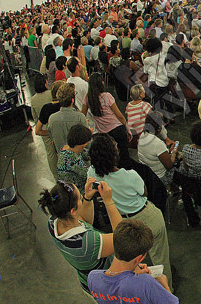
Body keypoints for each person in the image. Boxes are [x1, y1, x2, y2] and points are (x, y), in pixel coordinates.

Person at [88, 134, 172, 289]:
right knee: (160, 256)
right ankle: (166, 290)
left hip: (121, 222)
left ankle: (138, 289)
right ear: (113, 155)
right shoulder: (130, 176)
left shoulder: (92, 174)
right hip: (146, 216)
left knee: (132, 260)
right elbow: (144, 193)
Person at [41, 178, 121, 294]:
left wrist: (87, 198)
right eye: (80, 198)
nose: (81, 199)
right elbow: (123, 238)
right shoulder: (88, 242)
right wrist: (108, 201)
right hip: (107, 286)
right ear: (72, 211)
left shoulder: (53, 222)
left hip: (88, 282)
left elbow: (84, 221)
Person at [80, 72, 131, 164]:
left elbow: (82, 114)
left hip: (103, 132)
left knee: (109, 157)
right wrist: (127, 128)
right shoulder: (107, 96)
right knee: (124, 156)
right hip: (117, 128)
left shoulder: (87, 98)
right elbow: (119, 116)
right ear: (100, 83)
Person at [47, 82, 89, 152]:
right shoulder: (80, 117)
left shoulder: (52, 119)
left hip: (62, 158)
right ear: (72, 100)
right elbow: (86, 142)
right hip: (79, 159)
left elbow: (52, 138)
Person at [57, 124, 93, 193]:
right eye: (85, 143)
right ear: (79, 143)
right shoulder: (71, 159)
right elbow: (88, 175)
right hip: (76, 192)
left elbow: (86, 154)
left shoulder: (69, 148)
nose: (86, 144)